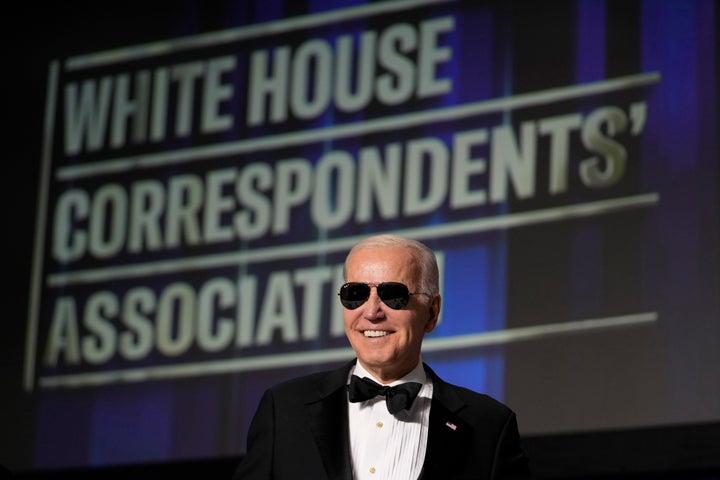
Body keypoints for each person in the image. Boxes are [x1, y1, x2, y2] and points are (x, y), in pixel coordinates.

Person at [232, 234, 533, 479]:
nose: (372, 312)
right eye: (356, 294)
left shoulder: (489, 426)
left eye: (393, 295)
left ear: (432, 312)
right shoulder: (284, 408)